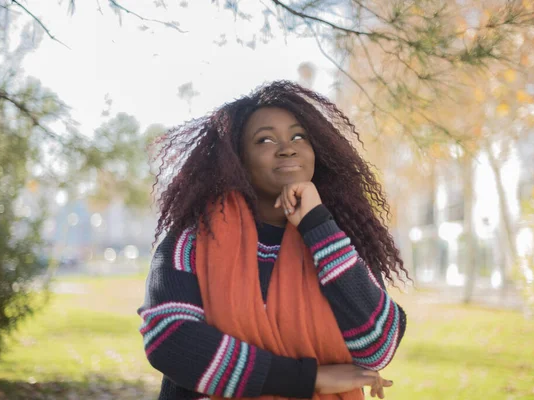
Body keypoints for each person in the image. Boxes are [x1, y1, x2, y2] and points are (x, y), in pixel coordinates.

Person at [138, 81, 408, 400]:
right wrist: (309, 380)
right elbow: (170, 340)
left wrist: (318, 227)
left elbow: (377, 346)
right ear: (237, 160)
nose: (287, 148)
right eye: (264, 139)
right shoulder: (194, 238)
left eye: (298, 136)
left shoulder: (340, 238)